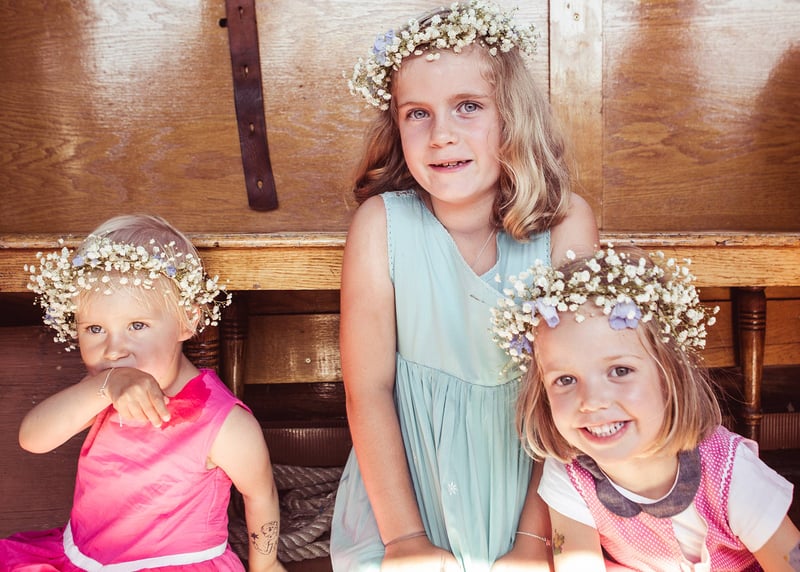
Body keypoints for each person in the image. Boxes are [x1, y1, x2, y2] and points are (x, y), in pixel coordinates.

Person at [330, 2, 599, 570]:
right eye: (417, 114)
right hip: (405, 498)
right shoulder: (381, 225)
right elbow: (368, 390)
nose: (441, 135)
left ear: (512, 116)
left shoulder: (565, 224)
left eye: (468, 106)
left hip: (534, 498)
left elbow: (575, 394)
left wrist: (532, 542)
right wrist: (404, 538)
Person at [1, 214, 287, 572]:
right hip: (84, 559)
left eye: (137, 325)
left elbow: (259, 494)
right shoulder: (104, 388)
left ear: (188, 320)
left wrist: (266, 564)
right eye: (95, 328)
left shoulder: (223, 423)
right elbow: (33, 438)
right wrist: (102, 387)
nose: (113, 350)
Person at [492, 245, 800, 571]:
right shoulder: (570, 475)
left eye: (620, 371)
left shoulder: (729, 472)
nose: (593, 401)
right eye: (565, 379)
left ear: (670, 377)